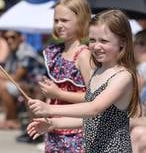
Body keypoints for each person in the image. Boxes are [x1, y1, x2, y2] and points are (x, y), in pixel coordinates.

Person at [27, 9, 141, 152]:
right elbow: (90, 120)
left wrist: (50, 108)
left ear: (123, 42)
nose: (96, 46)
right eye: (92, 40)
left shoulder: (123, 76)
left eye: (104, 41)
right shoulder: (98, 72)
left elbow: (94, 109)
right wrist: (54, 123)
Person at [24, 0, 92, 152]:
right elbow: (52, 95)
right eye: (56, 20)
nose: (59, 25)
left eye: (65, 20)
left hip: (77, 131)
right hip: (54, 127)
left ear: (81, 21)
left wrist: (58, 93)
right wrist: (46, 104)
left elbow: (93, 98)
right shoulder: (56, 52)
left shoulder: (83, 55)